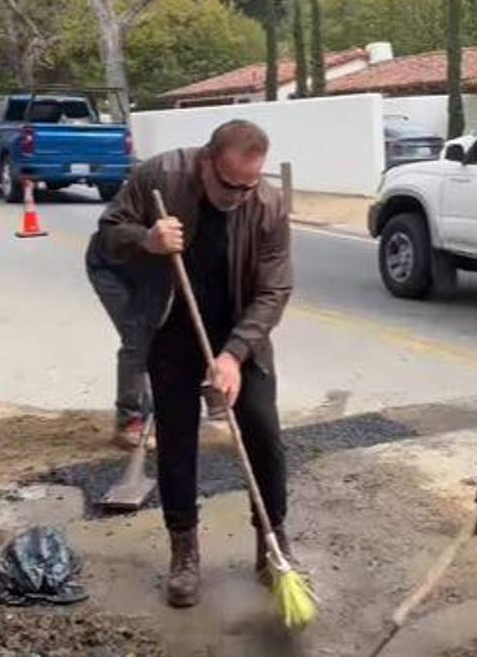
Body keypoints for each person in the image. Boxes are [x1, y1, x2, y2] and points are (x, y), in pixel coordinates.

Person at [92, 119, 293, 608]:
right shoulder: (161, 176)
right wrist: (147, 239)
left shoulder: (267, 205)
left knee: (262, 430)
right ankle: (184, 549)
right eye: (229, 184)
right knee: (178, 438)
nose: (238, 196)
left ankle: (273, 544)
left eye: (249, 185)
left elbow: (274, 290)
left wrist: (234, 354)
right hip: (173, 327)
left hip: (239, 331)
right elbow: (108, 234)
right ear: (206, 162)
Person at [85, 234, 153, 449]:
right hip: (111, 267)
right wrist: (148, 237)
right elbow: (114, 227)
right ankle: (129, 420)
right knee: (137, 337)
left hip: (151, 271)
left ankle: (155, 411)